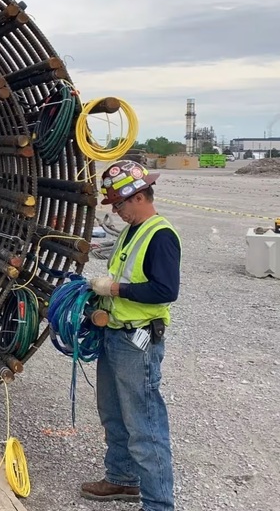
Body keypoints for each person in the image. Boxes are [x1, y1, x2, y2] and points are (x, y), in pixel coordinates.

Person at [81, 159, 180, 511]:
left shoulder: (161, 235)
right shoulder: (132, 231)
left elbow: (165, 290)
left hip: (138, 342)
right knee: (113, 413)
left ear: (138, 196)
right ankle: (122, 479)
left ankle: (158, 503)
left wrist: (116, 289)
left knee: (144, 423)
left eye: (119, 204)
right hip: (116, 336)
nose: (117, 211)